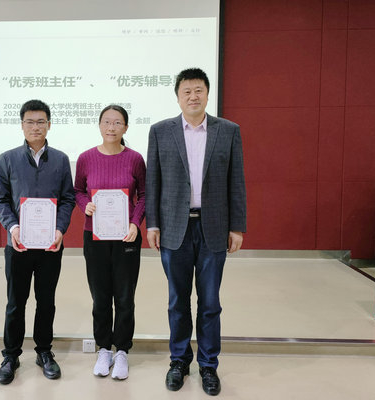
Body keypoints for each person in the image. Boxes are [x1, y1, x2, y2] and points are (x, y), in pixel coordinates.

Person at [145, 68, 246, 396]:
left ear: (207, 93)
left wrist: (237, 227)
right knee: (177, 300)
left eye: (198, 90)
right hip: (173, 228)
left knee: (210, 301)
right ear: (178, 96)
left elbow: (236, 181)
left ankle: (208, 364)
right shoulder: (160, 131)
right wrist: (152, 224)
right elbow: (153, 182)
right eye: (186, 91)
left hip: (213, 227)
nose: (193, 96)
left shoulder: (228, 131)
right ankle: (178, 361)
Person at [0, 99, 75, 385]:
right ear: (22, 125)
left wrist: (60, 229)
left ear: (49, 125)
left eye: (41, 122)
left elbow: (68, 199)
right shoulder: (8, 158)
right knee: (16, 302)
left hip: (51, 245)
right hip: (18, 245)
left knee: (46, 301)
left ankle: (44, 352)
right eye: (30, 121)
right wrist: (13, 227)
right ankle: (11, 356)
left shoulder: (61, 160)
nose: (35, 127)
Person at [74, 105, 146, 380]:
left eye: (117, 123)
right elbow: (77, 190)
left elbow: (145, 194)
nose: (111, 127)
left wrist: (135, 223)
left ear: (126, 127)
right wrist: (86, 205)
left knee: (125, 296)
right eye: (106, 122)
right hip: (95, 237)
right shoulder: (86, 158)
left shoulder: (135, 159)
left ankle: (122, 350)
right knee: (100, 296)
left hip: (127, 236)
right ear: (99, 125)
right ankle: (104, 348)